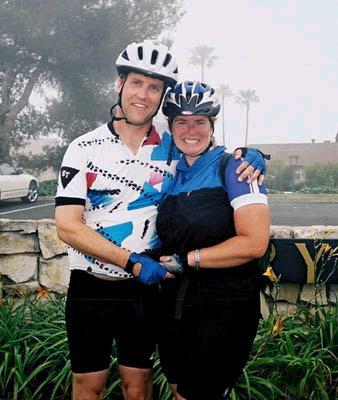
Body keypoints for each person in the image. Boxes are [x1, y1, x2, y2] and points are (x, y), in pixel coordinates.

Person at [55, 40, 268, 400]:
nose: (143, 94)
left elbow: (207, 149)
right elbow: (67, 225)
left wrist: (252, 156)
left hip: (145, 291)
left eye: (154, 87)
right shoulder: (83, 147)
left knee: (138, 386)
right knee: (87, 386)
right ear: (119, 84)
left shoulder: (173, 145)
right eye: (136, 83)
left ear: (162, 97)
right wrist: (131, 262)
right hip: (91, 285)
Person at [156, 80, 271, 400]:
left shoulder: (235, 167)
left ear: (212, 125)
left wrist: (188, 260)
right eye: (181, 121)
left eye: (200, 121)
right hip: (176, 305)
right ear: (171, 125)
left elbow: (254, 243)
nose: (190, 130)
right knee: (179, 388)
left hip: (224, 307)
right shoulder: (173, 172)